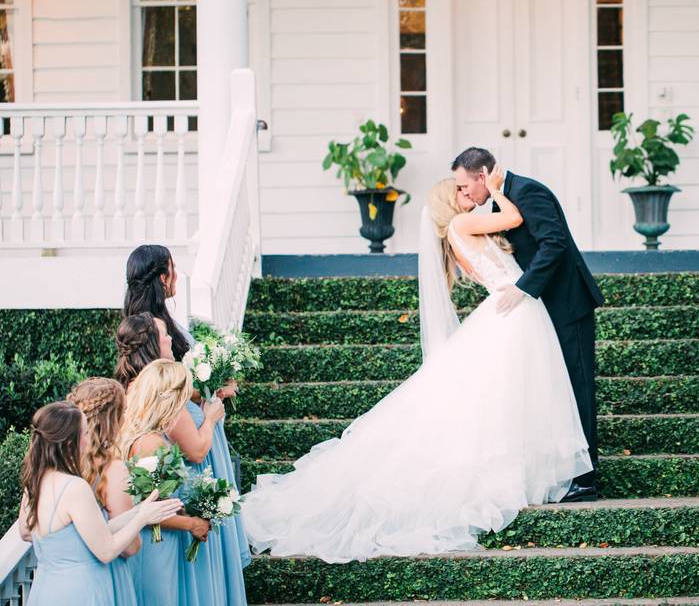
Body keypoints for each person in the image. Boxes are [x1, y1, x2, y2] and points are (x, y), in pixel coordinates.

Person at [241, 171, 592, 562]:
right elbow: (512, 219)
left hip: (511, 310)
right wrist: (494, 191)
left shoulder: (457, 233)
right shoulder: (462, 223)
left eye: (465, 187)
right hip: (513, 311)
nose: (464, 193)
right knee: (505, 394)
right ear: (448, 200)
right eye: (457, 190)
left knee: (503, 397)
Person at [453, 147, 604, 500]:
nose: (464, 193)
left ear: (481, 176)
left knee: (577, 386)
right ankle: (564, 469)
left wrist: (522, 289)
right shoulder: (498, 200)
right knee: (556, 389)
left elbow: (555, 245)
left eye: (465, 186)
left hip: (566, 303)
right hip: (540, 308)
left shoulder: (528, 191)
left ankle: (585, 479)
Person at [123, 244, 250, 603]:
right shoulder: (154, 326)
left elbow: (184, 381)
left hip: (195, 416)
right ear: (163, 277)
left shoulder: (157, 320)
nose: (176, 276)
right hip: (190, 428)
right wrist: (207, 405)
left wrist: (214, 386)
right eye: (173, 269)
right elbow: (171, 384)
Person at [18, 401, 180, 605]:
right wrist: (142, 519)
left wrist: (140, 510)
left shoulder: (35, 482)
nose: (88, 439)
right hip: (80, 593)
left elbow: (90, 531)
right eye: (85, 433)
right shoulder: (74, 487)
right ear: (70, 442)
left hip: (47, 591)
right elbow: (107, 551)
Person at [118, 359, 212, 606]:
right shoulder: (151, 443)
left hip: (161, 540)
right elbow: (147, 511)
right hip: (155, 546)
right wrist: (193, 523)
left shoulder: (144, 434)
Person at [66, 378, 140, 605]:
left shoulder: (55, 461)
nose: (127, 418)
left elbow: (27, 531)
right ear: (111, 418)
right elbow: (129, 547)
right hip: (103, 579)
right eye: (124, 411)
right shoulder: (112, 469)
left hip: (59, 580)